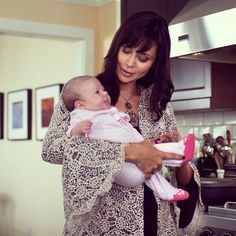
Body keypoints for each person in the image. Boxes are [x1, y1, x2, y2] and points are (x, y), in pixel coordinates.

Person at [42, 11, 204, 236]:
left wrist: (179, 159)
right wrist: (129, 151)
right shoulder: (85, 94)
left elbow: (180, 177)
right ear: (117, 47)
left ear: (155, 62)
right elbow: (51, 150)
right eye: (126, 50)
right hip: (104, 227)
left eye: (143, 57)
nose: (129, 62)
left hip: (159, 227)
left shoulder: (159, 105)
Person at [62, 75, 195, 202]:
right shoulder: (80, 114)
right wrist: (78, 130)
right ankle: (179, 152)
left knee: (155, 153)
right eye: (97, 92)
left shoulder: (158, 100)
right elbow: (62, 144)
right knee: (152, 159)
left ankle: (178, 156)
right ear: (80, 105)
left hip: (156, 213)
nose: (104, 93)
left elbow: (185, 179)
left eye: (103, 90)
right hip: (125, 171)